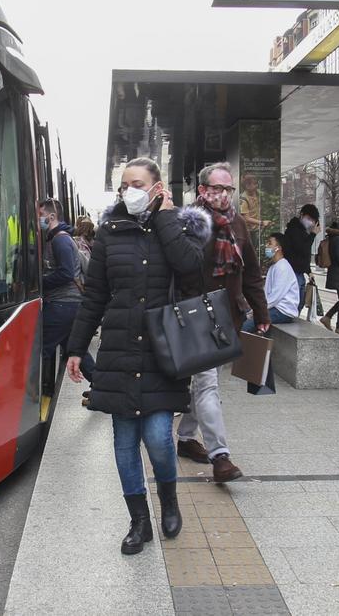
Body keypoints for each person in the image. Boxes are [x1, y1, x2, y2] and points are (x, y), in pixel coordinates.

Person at [64, 157, 208, 556]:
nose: (130, 190)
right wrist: (76, 347)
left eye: (138, 183)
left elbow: (191, 269)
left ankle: (170, 500)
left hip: (164, 351)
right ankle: (138, 520)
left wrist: (163, 218)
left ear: (158, 187)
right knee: (125, 440)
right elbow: (94, 295)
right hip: (120, 349)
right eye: (125, 183)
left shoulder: (180, 226)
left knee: (159, 437)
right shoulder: (111, 232)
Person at [175, 163, 268, 482]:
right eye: (219, 188)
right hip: (197, 314)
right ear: (202, 191)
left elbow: (251, 271)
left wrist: (262, 312)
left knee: (202, 381)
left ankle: (186, 438)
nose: (226, 194)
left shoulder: (238, 223)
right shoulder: (188, 224)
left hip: (228, 316)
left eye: (230, 189)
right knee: (208, 383)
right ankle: (221, 457)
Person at [39, 198, 91, 393]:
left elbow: (66, 273)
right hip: (68, 305)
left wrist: (39, 283)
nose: (39, 219)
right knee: (76, 350)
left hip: (62, 304)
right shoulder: (57, 238)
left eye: (41, 215)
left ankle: (31, 393)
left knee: (40, 348)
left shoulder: (60, 240)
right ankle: (102, 387)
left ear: (52, 216)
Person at [241, 233, 301, 393]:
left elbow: (275, 297)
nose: (267, 246)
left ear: (278, 248)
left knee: (246, 326)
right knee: (247, 320)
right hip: (274, 308)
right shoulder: (275, 266)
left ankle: (240, 361)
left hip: (283, 311)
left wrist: (257, 311)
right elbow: (267, 296)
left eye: (269, 243)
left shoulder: (282, 267)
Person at [282, 203, 320, 311]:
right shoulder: (294, 230)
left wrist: (309, 271)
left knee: (300, 300)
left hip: (298, 270)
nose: (310, 222)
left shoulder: (302, 231)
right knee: (297, 301)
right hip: (293, 270)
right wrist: (313, 235)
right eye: (308, 218)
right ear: (302, 215)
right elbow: (302, 249)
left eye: (312, 220)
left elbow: (304, 253)